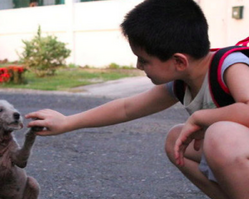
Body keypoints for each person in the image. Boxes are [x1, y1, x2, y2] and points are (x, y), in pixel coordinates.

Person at [25, 0, 249, 198]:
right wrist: (67, 122)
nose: (138, 66)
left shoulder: (230, 66)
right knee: (175, 140)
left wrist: (201, 117)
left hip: (231, 144)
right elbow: (127, 108)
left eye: (143, 60)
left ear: (179, 61)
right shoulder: (182, 82)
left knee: (220, 136)